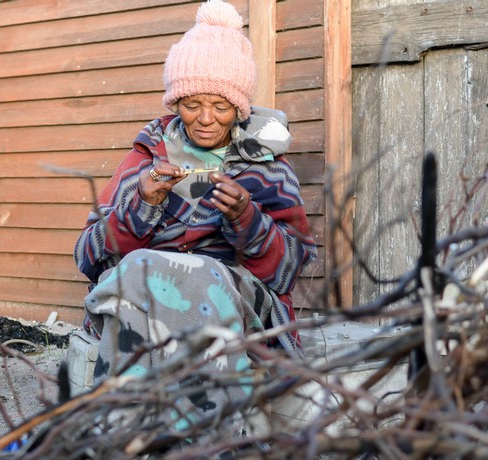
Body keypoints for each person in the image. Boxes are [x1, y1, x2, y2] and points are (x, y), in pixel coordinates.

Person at [72, 0, 317, 428]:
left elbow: (289, 272)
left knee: (193, 273)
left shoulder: (268, 170)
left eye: (221, 107)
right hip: (146, 291)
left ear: (239, 107)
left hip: (236, 300)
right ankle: (130, 435)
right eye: (191, 104)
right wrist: (142, 207)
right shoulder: (144, 161)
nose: (205, 119)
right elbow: (87, 258)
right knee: (139, 269)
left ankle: (206, 438)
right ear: (176, 100)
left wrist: (247, 219)